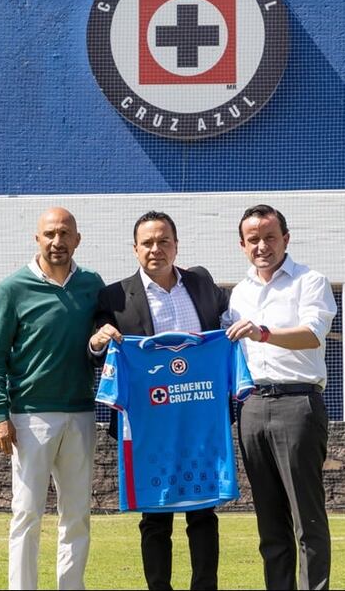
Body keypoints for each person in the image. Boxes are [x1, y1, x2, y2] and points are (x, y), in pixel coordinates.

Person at [89, 210, 230, 591]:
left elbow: (225, 330)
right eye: (147, 243)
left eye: (163, 241)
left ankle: (205, 586)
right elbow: (95, 349)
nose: (156, 249)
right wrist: (98, 341)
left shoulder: (201, 283)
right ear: (135, 249)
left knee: (203, 510)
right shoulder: (115, 296)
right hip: (147, 423)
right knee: (155, 516)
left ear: (176, 245)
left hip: (198, 417)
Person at [0, 207, 105, 590]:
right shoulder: (12, 288)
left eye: (65, 233)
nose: (58, 241)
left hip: (82, 415)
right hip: (29, 419)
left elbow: (96, 347)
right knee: (26, 514)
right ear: (37, 239)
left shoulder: (92, 285)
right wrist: (0, 415)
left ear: (77, 239)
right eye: (50, 234)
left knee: (77, 515)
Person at [224, 204, 337, 591]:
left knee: (307, 519)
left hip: (297, 404)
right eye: (253, 239)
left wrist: (264, 333)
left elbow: (312, 333)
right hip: (251, 408)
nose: (262, 246)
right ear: (242, 245)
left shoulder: (310, 281)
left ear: (285, 239)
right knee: (269, 523)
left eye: (270, 237)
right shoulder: (238, 293)